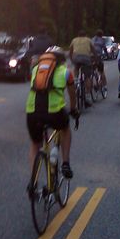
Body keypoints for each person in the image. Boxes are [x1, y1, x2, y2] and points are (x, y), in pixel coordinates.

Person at [26, 46, 78, 181]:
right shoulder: (66, 72)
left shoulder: (35, 70)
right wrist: (73, 109)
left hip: (32, 112)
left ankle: (33, 180)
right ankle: (65, 163)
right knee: (65, 129)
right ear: (61, 60)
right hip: (55, 112)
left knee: (35, 144)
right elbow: (73, 94)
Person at [69, 30, 98, 107]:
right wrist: (96, 59)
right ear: (86, 35)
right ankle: (88, 96)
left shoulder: (74, 40)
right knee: (87, 77)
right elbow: (94, 51)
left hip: (76, 58)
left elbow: (70, 52)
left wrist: (72, 60)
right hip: (86, 59)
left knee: (76, 68)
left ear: (78, 35)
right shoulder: (88, 40)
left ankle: (76, 81)